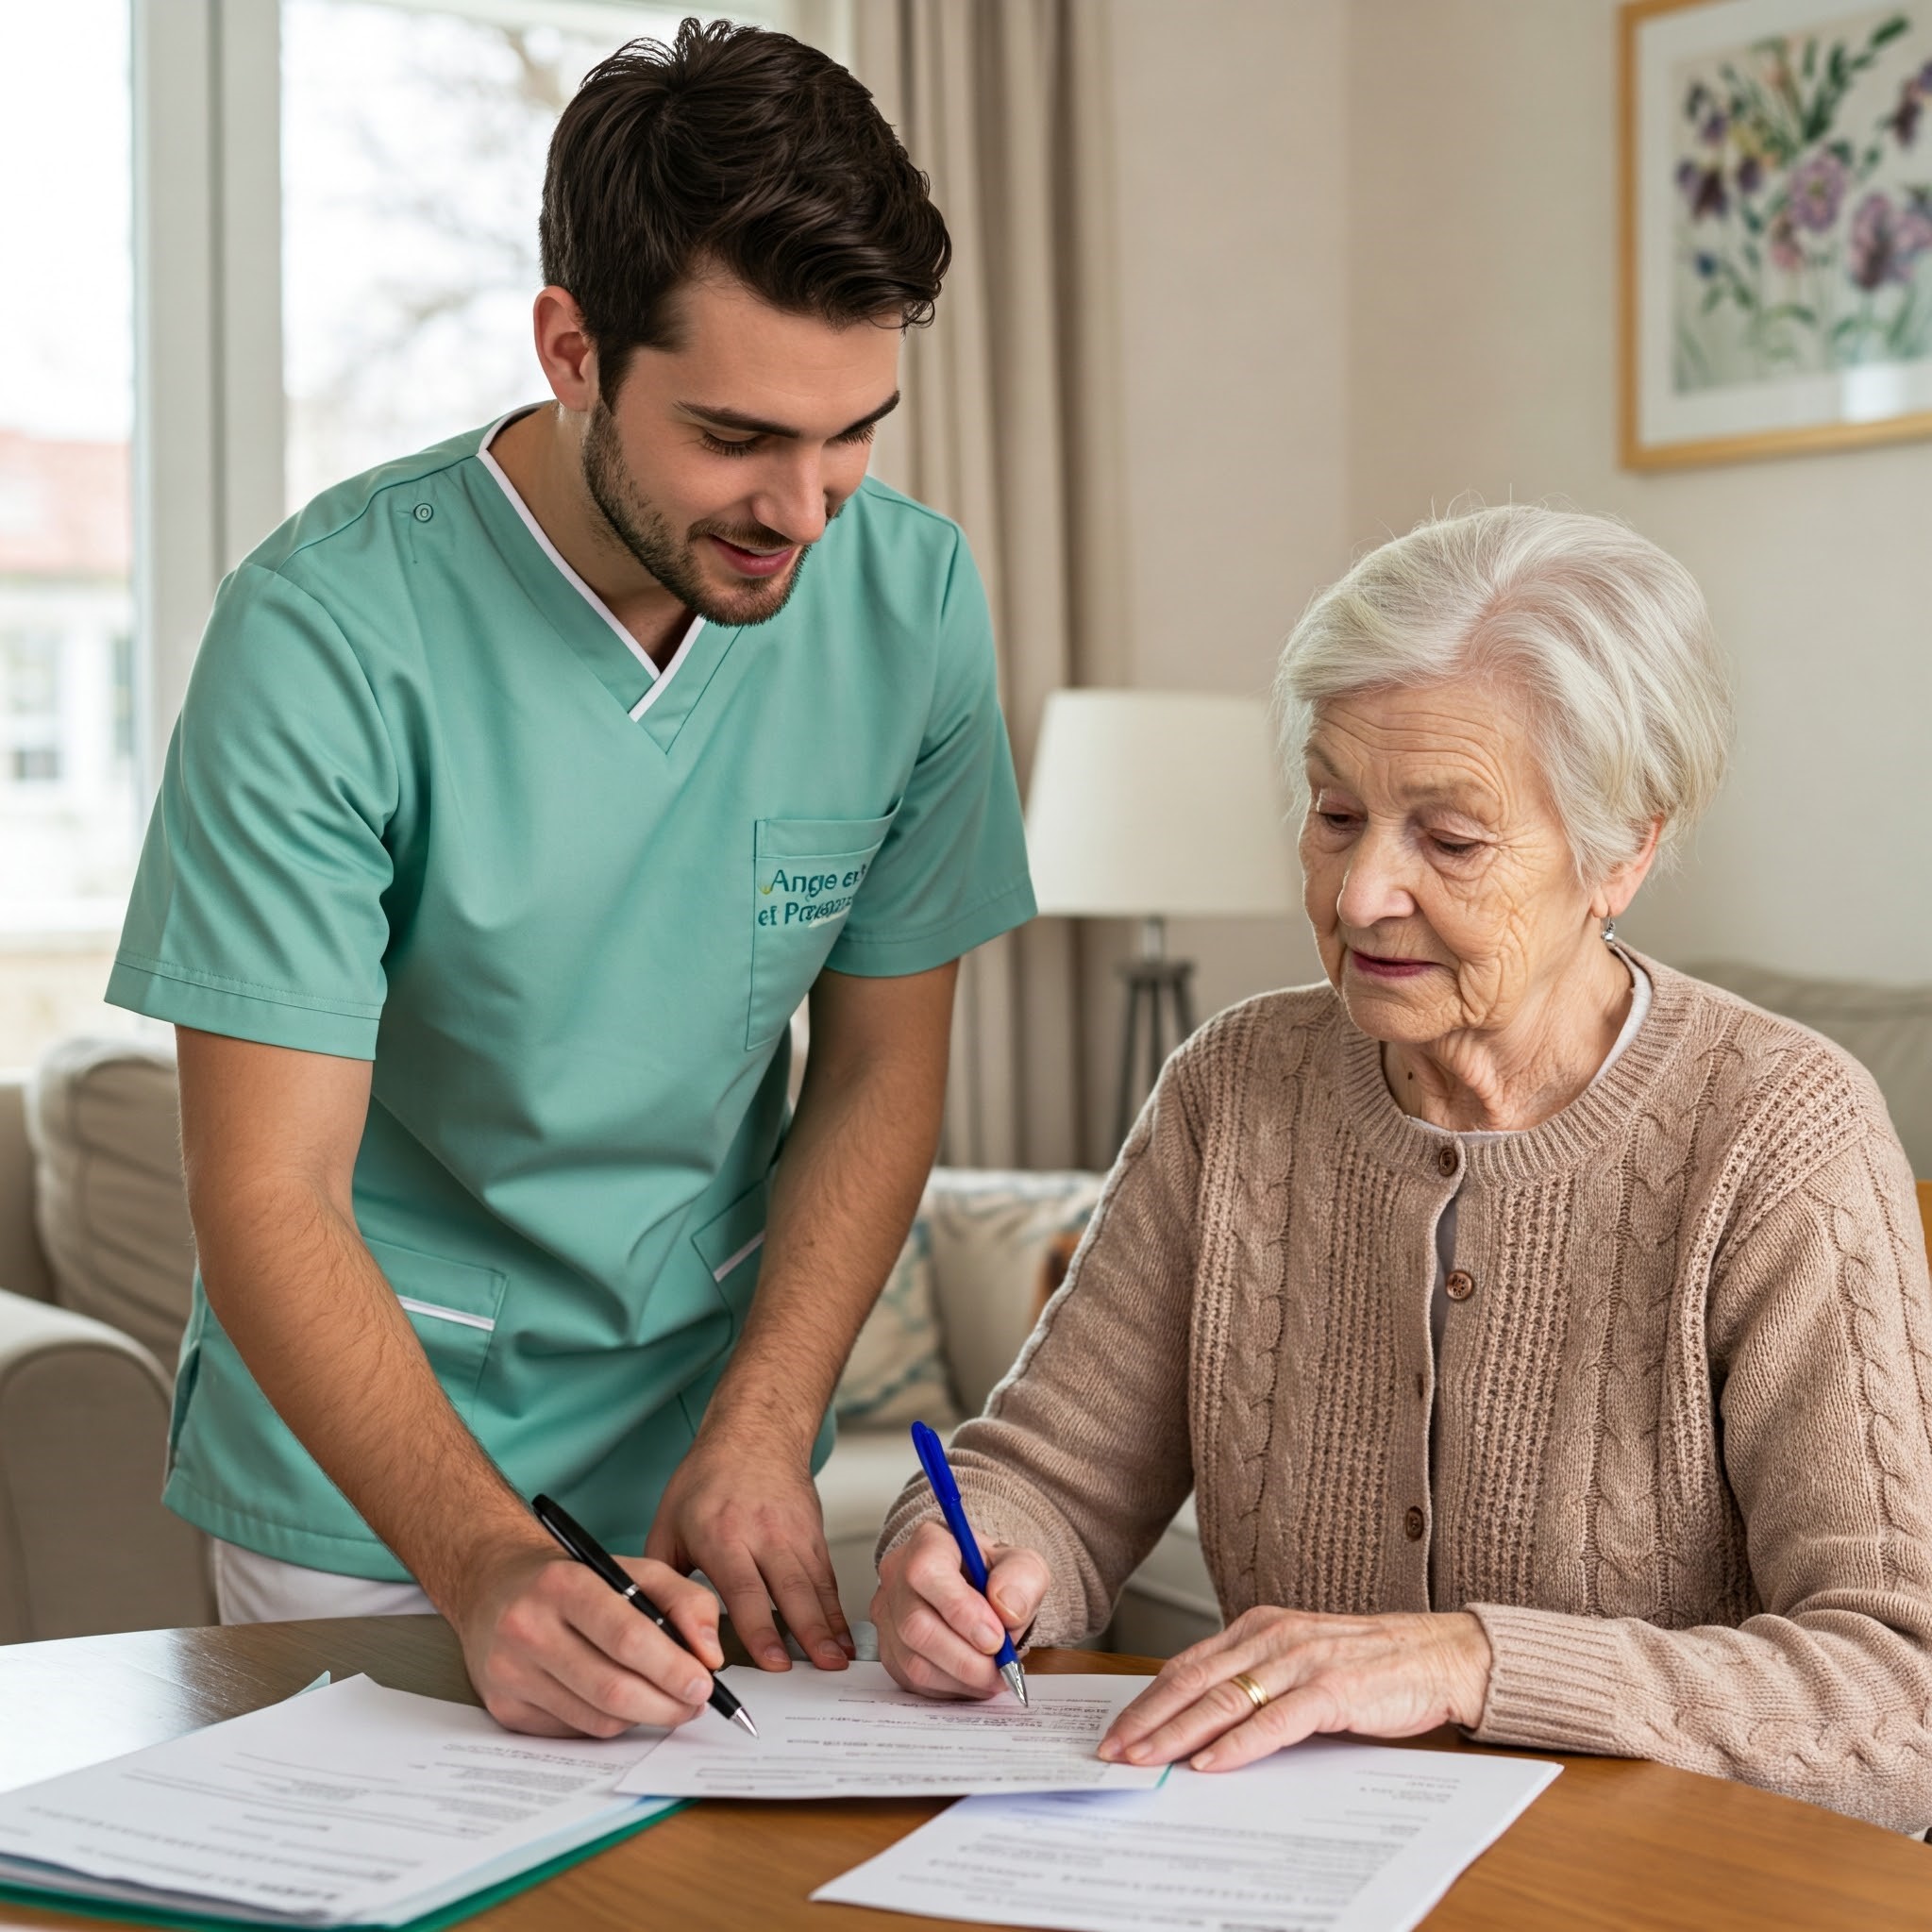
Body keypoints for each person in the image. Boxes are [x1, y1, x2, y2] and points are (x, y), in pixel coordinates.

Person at [108, 21, 1034, 1740]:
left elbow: (885, 1069)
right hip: (370, 1468)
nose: (804, 510)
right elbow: (268, 1199)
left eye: (853, 438)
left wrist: (766, 1421)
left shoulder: (909, 607)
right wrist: (478, 1560)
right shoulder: (323, 637)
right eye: (740, 435)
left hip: (705, 1426)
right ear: (574, 351)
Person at [872, 503, 1932, 1833]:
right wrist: (963, 1557)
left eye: (1449, 839)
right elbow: (1052, 1474)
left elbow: (1901, 1697)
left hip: (1646, 1894)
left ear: (1624, 851)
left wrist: (1473, 1663)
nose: (1359, 891)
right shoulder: (1235, 1088)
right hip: (1286, 1870)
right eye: (1334, 812)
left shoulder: (1780, 1133)